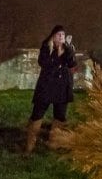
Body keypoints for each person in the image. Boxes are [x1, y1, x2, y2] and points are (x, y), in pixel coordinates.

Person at [25, 25, 76, 154]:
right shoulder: (46, 47)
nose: (61, 37)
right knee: (37, 114)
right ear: (53, 36)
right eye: (59, 34)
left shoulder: (68, 49)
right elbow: (44, 63)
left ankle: (53, 144)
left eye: (63, 35)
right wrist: (58, 54)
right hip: (46, 86)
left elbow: (72, 64)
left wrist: (68, 49)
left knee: (60, 116)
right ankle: (30, 146)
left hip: (62, 86)